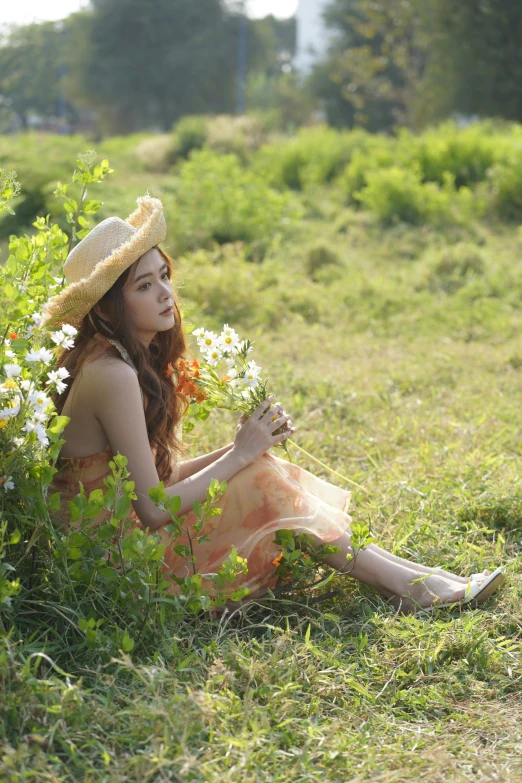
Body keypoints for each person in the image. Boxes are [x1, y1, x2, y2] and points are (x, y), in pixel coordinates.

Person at [43, 194, 504, 614]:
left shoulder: (119, 358)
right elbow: (154, 509)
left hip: (119, 538)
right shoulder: (112, 374)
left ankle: (420, 580)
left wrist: (241, 448)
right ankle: (415, 588)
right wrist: (241, 454)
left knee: (257, 467)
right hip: (113, 565)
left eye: (164, 275)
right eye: (143, 286)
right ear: (105, 309)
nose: (165, 292)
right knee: (254, 471)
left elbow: (152, 484)